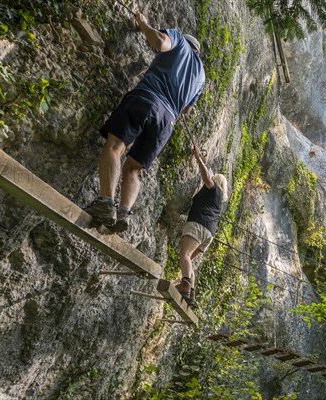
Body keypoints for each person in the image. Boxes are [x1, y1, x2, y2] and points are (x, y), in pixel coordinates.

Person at [85, 12, 205, 232]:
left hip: (147, 98)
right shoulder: (201, 76)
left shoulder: (178, 39)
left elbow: (160, 42)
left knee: (114, 147)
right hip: (167, 122)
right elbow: (186, 109)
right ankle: (123, 213)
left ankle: (106, 203)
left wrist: (142, 23)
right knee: (133, 169)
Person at [175, 145, 228, 303]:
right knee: (189, 259)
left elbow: (206, 177)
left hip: (198, 225)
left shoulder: (214, 189)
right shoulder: (219, 201)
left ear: (216, 182)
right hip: (209, 233)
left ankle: (185, 285)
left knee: (184, 255)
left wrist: (198, 157)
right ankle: (191, 293)